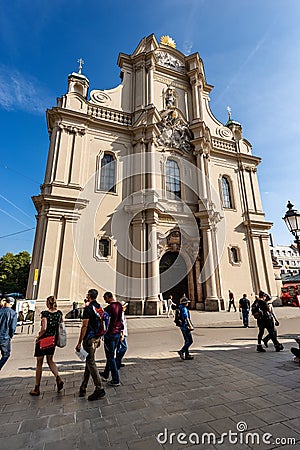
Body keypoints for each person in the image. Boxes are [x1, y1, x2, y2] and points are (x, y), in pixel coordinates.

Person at [29, 296, 64, 396]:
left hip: (43, 340)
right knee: (50, 360)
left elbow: (44, 328)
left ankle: (37, 388)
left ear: (48, 303)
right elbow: (61, 326)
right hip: (52, 340)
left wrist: (38, 336)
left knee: (39, 363)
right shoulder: (59, 314)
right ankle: (58, 377)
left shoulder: (45, 314)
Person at [75, 289, 106, 401]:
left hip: (89, 339)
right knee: (89, 361)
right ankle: (83, 388)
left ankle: (99, 388)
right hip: (97, 339)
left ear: (89, 296)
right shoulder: (99, 307)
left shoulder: (88, 309)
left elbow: (84, 326)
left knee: (91, 363)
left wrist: (79, 342)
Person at [100, 292, 123, 386]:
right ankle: (105, 374)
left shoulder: (109, 308)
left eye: (105, 299)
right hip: (117, 333)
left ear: (108, 297)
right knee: (111, 355)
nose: (105, 300)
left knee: (110, 357)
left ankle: (115, 379)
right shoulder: (119, 305)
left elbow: (103, 319)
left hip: (110, 334)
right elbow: (121, 319)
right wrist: (122, 331)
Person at [0, 297, 17, 370]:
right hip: (5, 337)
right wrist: (10, 335)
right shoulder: (13, 313)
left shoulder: (0, 311)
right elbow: (12, 327)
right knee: (6, 354)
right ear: (12, 303)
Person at [177, 296, 194, 360]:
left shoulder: (180, 307)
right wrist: (190, 326)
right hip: (185, 326)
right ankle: (182, 351)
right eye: (187, 302)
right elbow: (186, 318)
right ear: (185, 303)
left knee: (186, 341)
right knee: (190, 341)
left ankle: (187, 355)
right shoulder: (184, 308)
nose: (188, 303)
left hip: (182, 327)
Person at [116, 301, 128, 369]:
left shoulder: (121, 313)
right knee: (124, 347)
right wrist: (122, 334)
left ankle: (118, 362)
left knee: (119, 348)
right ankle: (117, 362)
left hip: (121, 333)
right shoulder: (120, 314)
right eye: (125, 306)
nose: (126, 308)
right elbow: (121, 325)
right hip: (121, 333)